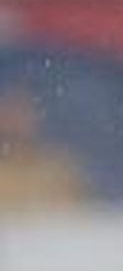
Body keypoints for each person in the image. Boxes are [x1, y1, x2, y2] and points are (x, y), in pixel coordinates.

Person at [0, 84, 88, 215]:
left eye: (22, 113)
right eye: (9, 114)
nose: (15, 122)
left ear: (34, 118)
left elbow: (81, 214)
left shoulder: (58, 169)